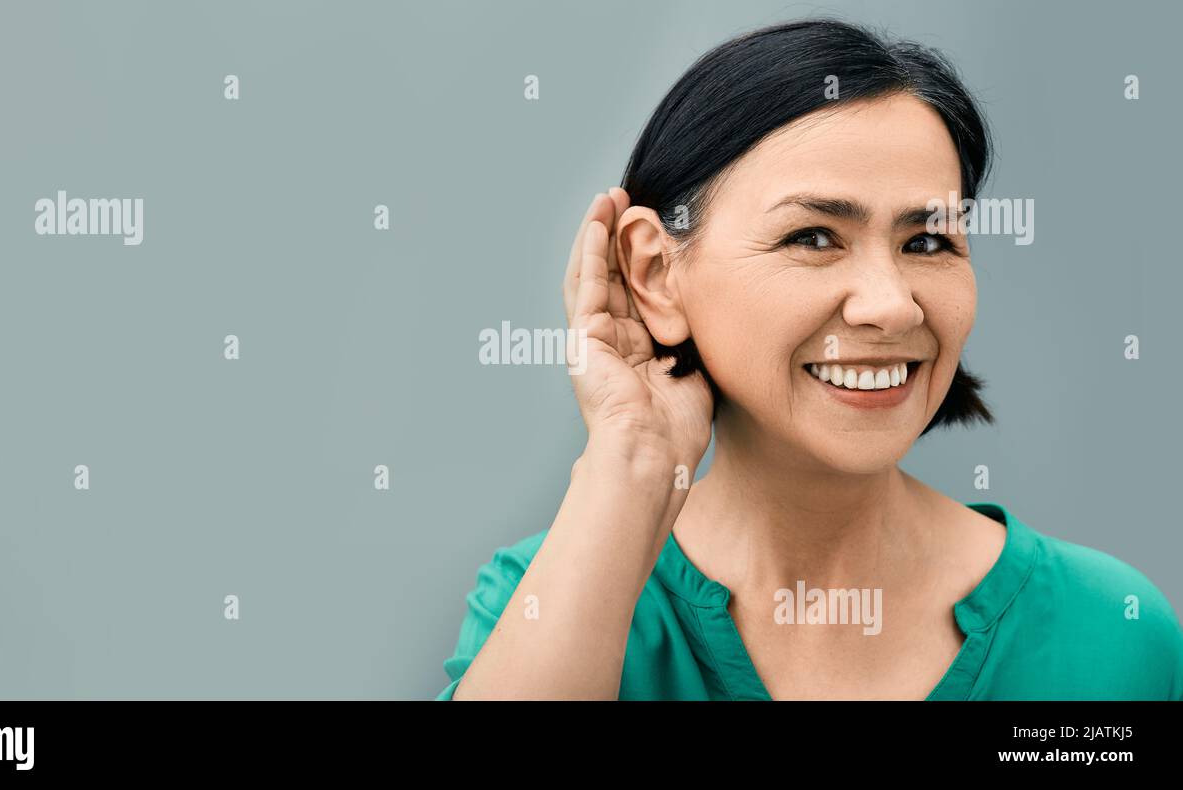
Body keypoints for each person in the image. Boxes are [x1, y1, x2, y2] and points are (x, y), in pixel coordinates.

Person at [437, 18, 1183, 700]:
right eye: (814, 238)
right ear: (657, 275)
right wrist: (632, 457)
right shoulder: (549, 598)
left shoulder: (1111, 636)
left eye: (928, 242)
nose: (892, 306)